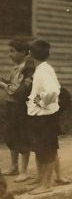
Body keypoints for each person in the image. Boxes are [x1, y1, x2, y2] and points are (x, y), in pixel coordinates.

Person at [26, 39, 61, 195]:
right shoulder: (44, 68)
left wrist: (39, 102)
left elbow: (53, 91)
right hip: (45, 116)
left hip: (44, 117)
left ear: (30, 54)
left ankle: (47, 184)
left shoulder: (42, 71)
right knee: (45, 149)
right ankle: (45, 181)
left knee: (46, 150)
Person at [0, 38, 32, 183]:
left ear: (24, 52)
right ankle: (14, 166)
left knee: (21, 136)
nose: (9, 55)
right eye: (9, 51)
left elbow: (18, 90)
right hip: (11, 105)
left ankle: (24, 171)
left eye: (13, 51)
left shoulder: (26, 68)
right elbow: (11, 86)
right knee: (11, 135)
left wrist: (3, 85)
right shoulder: (16, 67)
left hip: (20, 106)